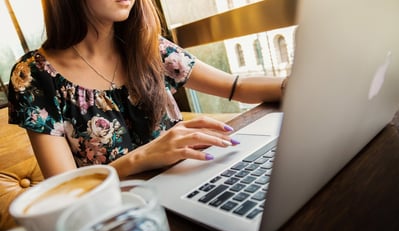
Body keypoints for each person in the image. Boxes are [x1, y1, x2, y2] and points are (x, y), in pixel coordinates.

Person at [7, 0, 286, 179]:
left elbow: (234, 86)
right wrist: (141, 158)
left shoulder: (148, 47)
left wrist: (296, 85)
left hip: (191, 182)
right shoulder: (34, 75)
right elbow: (65, 190)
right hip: (118, 218)